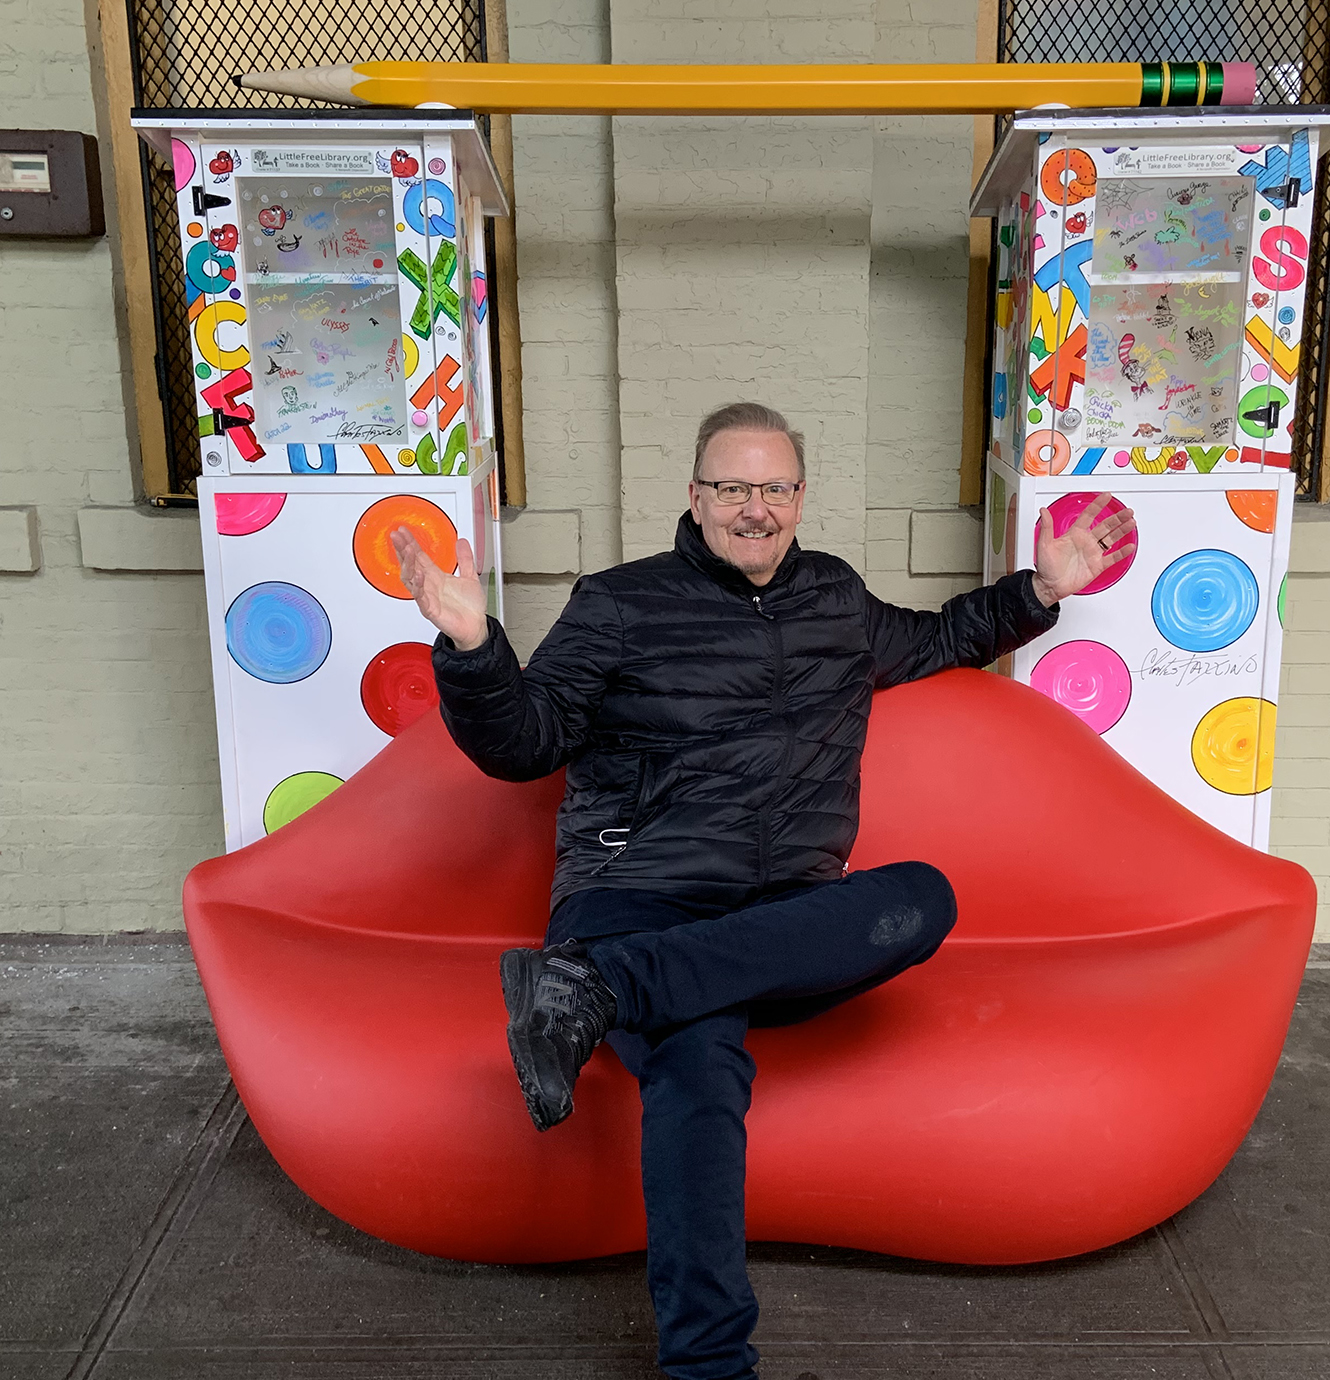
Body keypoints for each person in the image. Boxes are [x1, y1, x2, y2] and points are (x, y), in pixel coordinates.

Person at [393, 401, 1136, 1380]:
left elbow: (943, 635)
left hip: (776, 918)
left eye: (774, 487)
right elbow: (522, 743)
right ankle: (710, 1369)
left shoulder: (834, 598)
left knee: (920, 898)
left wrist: (1041, 589)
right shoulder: (618, 604)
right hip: (639, 895)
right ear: (696, 498)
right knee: (698, 1070)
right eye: (734, 487)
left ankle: (599, 990)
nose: (756, 508)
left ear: (799, 497)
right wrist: (472, 647)